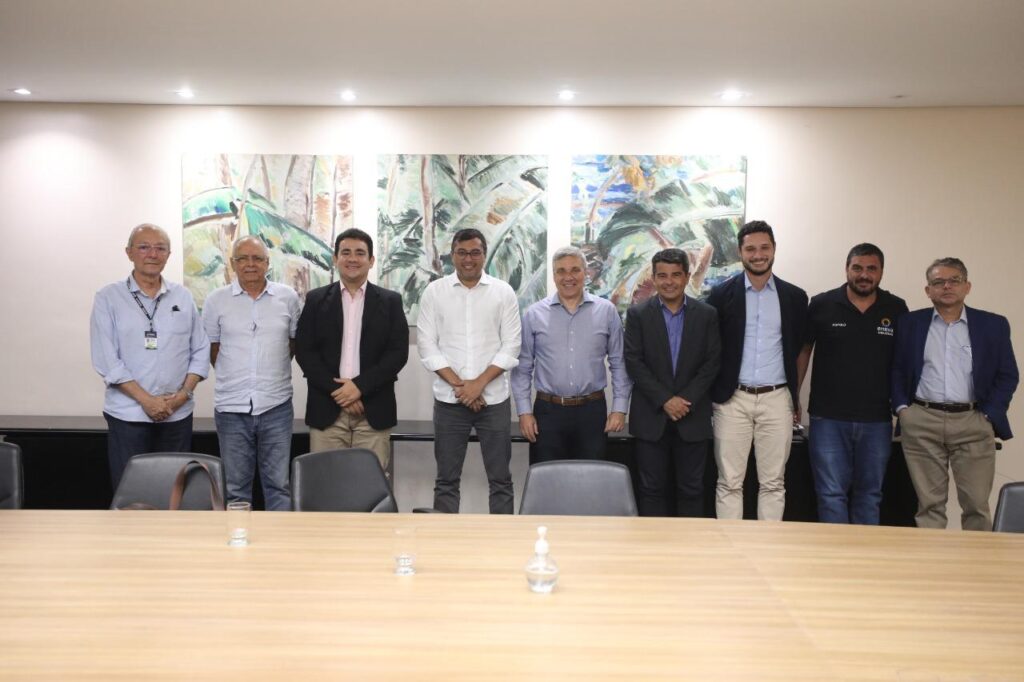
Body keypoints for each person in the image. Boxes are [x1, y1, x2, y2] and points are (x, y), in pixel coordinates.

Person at [891, 257, 1018, 531]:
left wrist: (989, 414)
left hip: (973, 422)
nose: (946, 286)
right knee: (929, 507)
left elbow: (1008, 374)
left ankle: (977, 559)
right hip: (922, 421)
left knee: (976, 506)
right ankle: (932, 558)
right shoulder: (910, 323)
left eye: (954, 280)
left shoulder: (993, 325)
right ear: (928, 290)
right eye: (938, 282)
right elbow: (897, 369)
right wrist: (903, 409)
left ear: (967, 286)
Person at [90, 223, 209, 488]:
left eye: (160, 248)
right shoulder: (109, 298)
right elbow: (107, 360)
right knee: (132, 494)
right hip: (129, 416)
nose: (152, 254)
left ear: (168, 255)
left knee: (175, 492)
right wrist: (147, 401)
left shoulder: (182, 296)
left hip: (177, 414)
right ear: (129, 252)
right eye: (144, 247)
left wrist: (183, 395)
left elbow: (201, 349)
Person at [796, 243, 908, 524]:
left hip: (877, 420)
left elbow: (905, 362)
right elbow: (804, 351)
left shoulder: (896, 308)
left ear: (881, 272)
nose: (864, 275)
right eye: (857, 268)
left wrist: (904, 407)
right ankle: (836, 552)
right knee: (830, 494)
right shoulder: (821, 304)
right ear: (847, 269)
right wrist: (793, 396)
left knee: (870, 495)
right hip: (827, 418)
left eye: (871, 269)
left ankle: (864, 552)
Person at [707, 220, 807, 521]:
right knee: (729, 482)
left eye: (764, 248)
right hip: (732, 399)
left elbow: (801, 348)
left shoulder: (795, 297)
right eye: (750, 249)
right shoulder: (720, 295)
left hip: (777, 398)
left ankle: (767, 546)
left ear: (774, 249)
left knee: (773, 483)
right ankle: (730, 547)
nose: (758, 255)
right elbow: (711, 350)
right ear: (740, 252)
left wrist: (794, 396)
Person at [417, 228, 521, 513]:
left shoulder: (503, 292)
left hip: (494, 402)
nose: (468, 259)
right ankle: (445, 539)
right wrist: (463, 387)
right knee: (446, 481)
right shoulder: (435, 292)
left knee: (500, 480)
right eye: (462, 252)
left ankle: (501, 538)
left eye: (475, 252)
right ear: (452, 255)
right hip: (449, 402)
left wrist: (478, 384)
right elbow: (427, 346)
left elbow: (511, 345)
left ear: (484, 255)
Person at [295, 228, 409, 473]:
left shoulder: (390, 301)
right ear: (335, 259)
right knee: (325, 484)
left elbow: (397, 354)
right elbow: (305, 352)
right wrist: (341, 393)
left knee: (370, 486)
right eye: (346, 252)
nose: (352, 259)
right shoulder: (315, 300)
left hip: (373, 412)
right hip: (327, 410)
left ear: (371, 260)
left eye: (360, 253)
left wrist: (359, 388)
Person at [202, 236, 301, 511]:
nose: (250, 264)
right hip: (231, 408)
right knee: (235, 489)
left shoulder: (287, 298)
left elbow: (292, 344)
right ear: (232, 263)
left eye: (257, 258)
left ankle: (278, 539)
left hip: (276, 406)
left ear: (267, 263)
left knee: (279, 486)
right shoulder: (216, 300)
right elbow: (212, 348)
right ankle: (239, 538)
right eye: (242, 258)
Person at [511, 246, 631, 463]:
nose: (568, 277)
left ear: (585, 273)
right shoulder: (534, 314)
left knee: (592, 476)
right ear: (554, 275)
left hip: (592, 412)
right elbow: (523, 368)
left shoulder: (607, 311)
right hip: (547, 413)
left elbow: (619, 363)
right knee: (547, 477)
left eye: (575, 270)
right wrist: (524, 412)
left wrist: (619, 409)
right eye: (561, 271)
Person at [624, 248, 721, 516]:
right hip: (651, 417)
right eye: (662, 275)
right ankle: (654, 543)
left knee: (692, 489)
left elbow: (712, 363)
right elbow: (634, 362)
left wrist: (684, 400)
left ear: (687, 276)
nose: (669, 282)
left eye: (676, 275)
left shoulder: (707, 315)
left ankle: (688, 544)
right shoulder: (638, 315)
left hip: (693, 417)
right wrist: (666, 400)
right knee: (650, 489)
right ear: (654, 278)